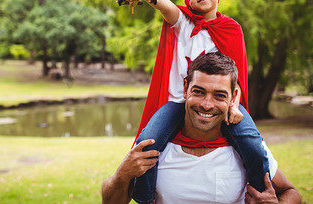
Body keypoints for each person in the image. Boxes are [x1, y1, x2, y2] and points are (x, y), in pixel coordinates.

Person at [131, 0, 268, 203]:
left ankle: (259, 193)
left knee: (255, 147)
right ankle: (145, 197)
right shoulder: (181, 21)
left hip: (224, 102)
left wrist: (234, 106)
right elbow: (162, 4)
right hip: (178, 103)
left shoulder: (232, 29)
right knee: (146, 142)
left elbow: (238, 76)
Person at [102, 52, 302, 204]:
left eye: (219, 95)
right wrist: (122, 174)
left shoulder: (249, 148)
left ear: (233, 98)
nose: (207, 104)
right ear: (185, 87)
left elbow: (291, 193)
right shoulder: (155, 148)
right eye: (198, 91)